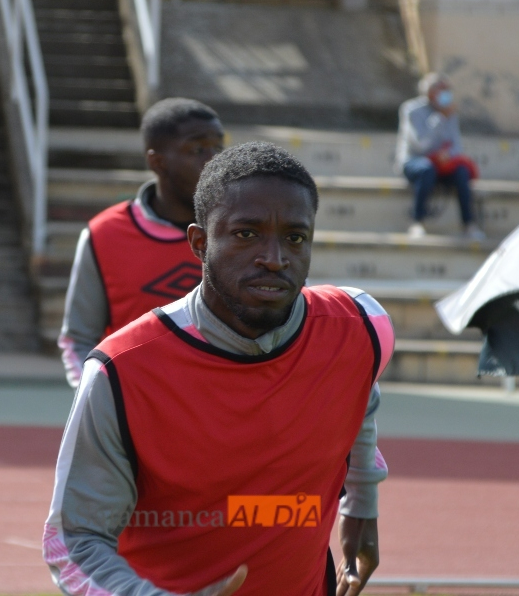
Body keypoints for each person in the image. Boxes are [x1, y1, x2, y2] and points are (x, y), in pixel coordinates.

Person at [44, 142, 394, 596]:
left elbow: (360, 400)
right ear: (199, 242)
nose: (275, 257)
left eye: (295, 237)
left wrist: (361, 507)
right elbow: (71, 542)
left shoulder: (363, 326)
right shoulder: (120, 372)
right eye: (247, 234)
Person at [58, 98, 225, 387]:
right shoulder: (105, 234)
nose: (214, 160)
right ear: (157, 162)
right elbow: (78, 341)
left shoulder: (243, 228)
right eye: (197, 149)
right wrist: (101, 398)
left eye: (218, 147)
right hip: (137, 411)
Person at [395, 73, 485, 240]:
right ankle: (417, 223)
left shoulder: (450, 112)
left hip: (442, 165)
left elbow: (456, 145)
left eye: (448, 90)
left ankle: (469, 225)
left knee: (461, 172)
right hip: (414, 163)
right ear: (430, 92)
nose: (447, 93)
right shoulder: (412, 110)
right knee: (426, 169)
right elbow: (420, 144)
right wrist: (440, 118)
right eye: (443, 89)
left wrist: (448, 155)